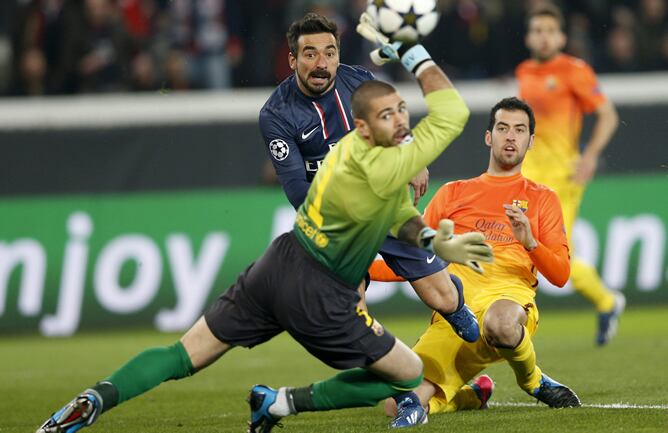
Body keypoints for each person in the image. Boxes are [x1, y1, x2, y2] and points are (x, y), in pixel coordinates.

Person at [36, 37, 493, 433]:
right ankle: (280, 402)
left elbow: (396, 214)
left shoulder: (347, 154)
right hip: (321, 293)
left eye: (400, 113)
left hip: (277, 265)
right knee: (410, 373)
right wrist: (414, 50)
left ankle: (95, 398)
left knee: (184, 355)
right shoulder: (378, 161)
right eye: (389, 116)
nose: (400, 123)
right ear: (362, 125)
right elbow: (451, 113)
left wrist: (435, 242)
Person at [259, 12, 480, 345]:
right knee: (353, 317)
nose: (322, 63)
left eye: (329, 53)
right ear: (292, 60)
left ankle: (454, 301)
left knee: (443, 299)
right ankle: (399, 384)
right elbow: (298, 193)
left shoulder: (359, 82)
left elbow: (394, 122)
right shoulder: (276, 114)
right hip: (337, 224)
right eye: (310, 54)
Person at [372, 97, 581, 428]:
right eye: (502, 128)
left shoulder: (543, 198)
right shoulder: (453, 194)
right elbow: (416, 260)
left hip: (509, 304)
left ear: (531, 141)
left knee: (500, 321)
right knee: (396, 405)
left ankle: (534, 382)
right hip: (456, 316)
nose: (510, 136)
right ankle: (472, 396)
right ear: (489, 137)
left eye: (519, 130)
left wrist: (530, 242)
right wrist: (362, 269)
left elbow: (560, 274)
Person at [516, 3, 624, 346]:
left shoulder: (575, 70)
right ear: (528, 37)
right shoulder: (524, 71)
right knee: (515, 243)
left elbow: (607, 115)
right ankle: (510, 318)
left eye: (550, 31)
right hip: (528, 175)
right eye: (537, 31)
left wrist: (590, 156)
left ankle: (607, 300)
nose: (543, 37)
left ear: (561, 36)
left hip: (563, 177)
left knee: (554, 251)